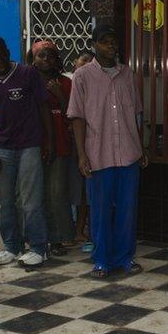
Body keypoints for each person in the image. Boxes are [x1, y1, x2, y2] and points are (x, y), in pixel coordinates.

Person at [67, 25, 147, 278]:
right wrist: (82, 155)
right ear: (94, 45)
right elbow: (77, 117)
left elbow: (135, 113)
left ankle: (125, 258)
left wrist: (141, 147)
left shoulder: (127, 74)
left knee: (127, 209)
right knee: (100, 210)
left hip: (128, 153)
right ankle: (102, 260)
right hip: (98, 154)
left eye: (114, 40)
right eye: (104, 41)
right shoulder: (82, 76)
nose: (111, 45)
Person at [0, 37, 53, 268]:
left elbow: (43, 107)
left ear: (8, 51)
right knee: (4, 203)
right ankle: (12, 247)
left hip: (30, 145)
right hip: (2, 148)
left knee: (31, 201)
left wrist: (48, 141)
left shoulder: (27, 73)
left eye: (1, 53)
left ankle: (39, 248)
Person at [29, 40, 76, 256]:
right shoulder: (28, 81)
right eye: (41, 55)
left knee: (56, 192)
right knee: (36, 194)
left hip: (60, 144)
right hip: (33, 144)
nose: (45, 59)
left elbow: (73, 114)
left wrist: (59, 95)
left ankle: (59, 238)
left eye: (50, 55)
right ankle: (37, 237)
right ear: (33, 58)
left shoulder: (65, 83)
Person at [69, 49, 95, 253]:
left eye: (90, 61)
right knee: (75, 192)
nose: (86, 64)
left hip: (91, 146)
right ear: (74, 62)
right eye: (83, 60)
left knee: (89, 193)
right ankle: (74, 230)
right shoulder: (67, 83)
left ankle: (87, 232)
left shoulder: (94, 84)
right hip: (70, 147)